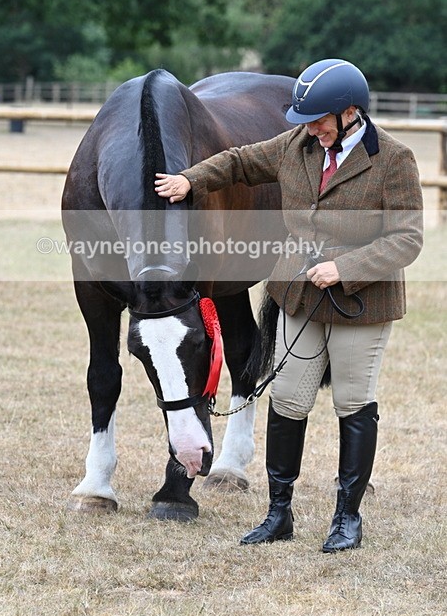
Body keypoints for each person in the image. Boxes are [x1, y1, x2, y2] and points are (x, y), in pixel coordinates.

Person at [154, 58, 423, 552]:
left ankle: (347, 518)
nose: (311, 129)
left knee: (353, 404)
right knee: (289, 400)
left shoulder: (394, 159)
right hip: (298, 297)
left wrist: (347, 268)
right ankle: (279, 514)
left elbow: (407, 238)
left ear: (349, 113)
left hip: (361, 305)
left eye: (319, 120)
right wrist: (190, 180)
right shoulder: (295, 145)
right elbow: (237, 161)